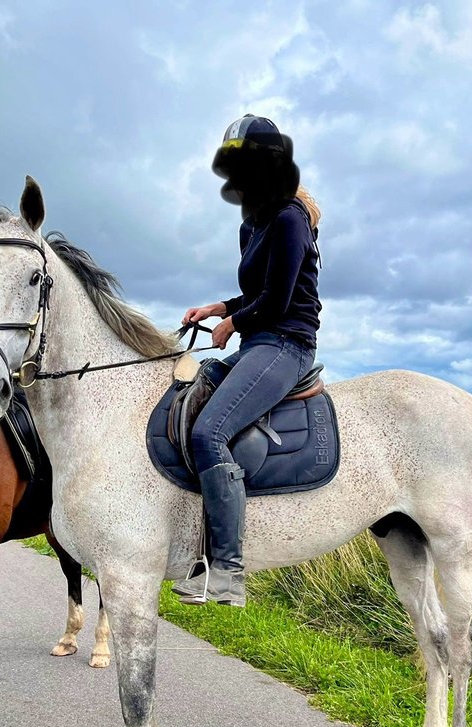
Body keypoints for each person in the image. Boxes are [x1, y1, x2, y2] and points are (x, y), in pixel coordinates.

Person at [173, 114, 322, 607]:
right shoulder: (253, 223)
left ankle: (229, 573)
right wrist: (218, 308)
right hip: (258, 342)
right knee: (187, 400)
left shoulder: (289, 218)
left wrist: (232, 324)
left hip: (286, 345)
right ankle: (191, 554)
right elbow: (253, 292)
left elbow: (277, 301)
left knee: (208, 432)